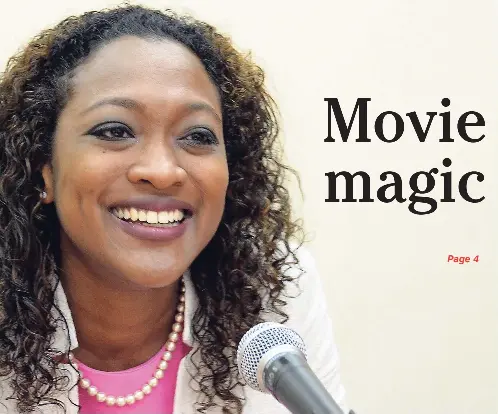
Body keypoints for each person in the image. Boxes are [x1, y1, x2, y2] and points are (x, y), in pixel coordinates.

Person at [0, 5, 349, 413]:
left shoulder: (275, 292)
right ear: (42, 167)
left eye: (197, 136)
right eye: (115, 130)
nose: (163, 172)